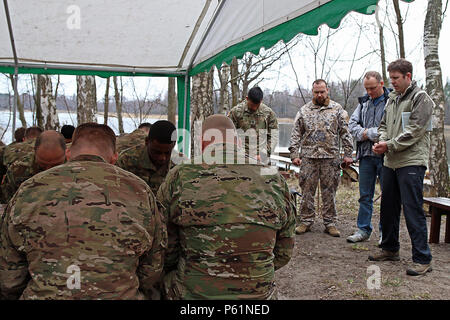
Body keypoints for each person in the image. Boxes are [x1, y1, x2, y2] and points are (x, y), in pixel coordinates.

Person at [0, 123, 166, 299]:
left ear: (69, 153)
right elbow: (152, 269)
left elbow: (10, 277)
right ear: (114, 157)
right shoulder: (140, 191)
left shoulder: (29, 189)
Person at [157, 114, 295, 300]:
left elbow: (164, 245)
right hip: (258, 296)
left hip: (194, 294)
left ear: (202, 142)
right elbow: (284, 251)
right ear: (237, 141)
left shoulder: (180, 175)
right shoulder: (273, 177)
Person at [369, 59, 433, 276]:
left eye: (396, 78)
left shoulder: (421, 98)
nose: (392, 83)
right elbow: (384, 126)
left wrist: (390, 144)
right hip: (390, 161)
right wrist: (383, 142)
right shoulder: (392, 99)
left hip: (411, 162)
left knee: (413, 209)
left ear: (408, 76)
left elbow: (416, 130)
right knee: (388, 207)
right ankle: (389, 248)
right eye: (391, 78)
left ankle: (422, 258)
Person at [289, 79, 353, 237]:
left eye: (322, 91)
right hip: (309, 158)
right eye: (316, 92)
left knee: (329, 191)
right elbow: (296, 134)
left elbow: (345, 132)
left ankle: (330, 222)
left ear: (327, 90)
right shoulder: (304, 111)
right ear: (312, 92)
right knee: (307, 190)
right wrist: (294, 154)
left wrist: (348, 154)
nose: (319, 94)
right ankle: (306, 220)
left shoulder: (337, 110)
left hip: (330, 158)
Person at [347, 71, 391, 243]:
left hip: (385, 156)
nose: (369, 92)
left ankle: (384, 233)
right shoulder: (363, 102)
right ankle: (363, 230)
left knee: (387, 196)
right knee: (365, 195)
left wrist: (366, 132)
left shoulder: (391, 101)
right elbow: (352, 125)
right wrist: (366, 133)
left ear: (381, 84)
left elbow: (386, 130)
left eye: (372, 88)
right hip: (365, 156)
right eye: (366, 88)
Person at [1, 130, 67, 202]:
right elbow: (6, 202)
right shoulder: (18, 169)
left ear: (66, 152)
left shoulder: (76, 168)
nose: (48, 170)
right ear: (34, 151)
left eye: (55, 165)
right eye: (43, 165)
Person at [116, 120, 177, 195]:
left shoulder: (178, 165)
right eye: (157, 152)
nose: (162, 158)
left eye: (167, 153)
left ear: (174, 144)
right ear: (147, 141)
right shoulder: (126, 160)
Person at [228, 86, 278, 162]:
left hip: (261, 157)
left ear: (261, 101)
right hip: (241, 156)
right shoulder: (236, 112)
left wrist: (263, 153)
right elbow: (229, 134)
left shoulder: (268, 114)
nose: (254, 108)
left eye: (257, 105)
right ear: (247, 98)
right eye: (252, 105)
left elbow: (274, 136)